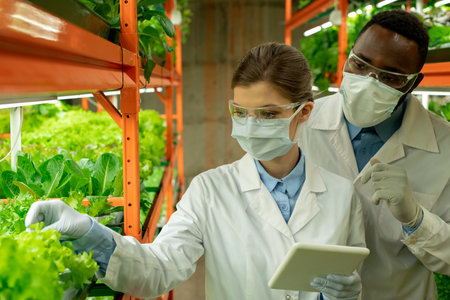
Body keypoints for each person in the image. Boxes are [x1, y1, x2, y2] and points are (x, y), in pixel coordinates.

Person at [26, 43, 365, 300]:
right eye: (242, 113)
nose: (251, 126)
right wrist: (89, 231)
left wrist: (350, 293)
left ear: (304, 112)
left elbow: (350, 276)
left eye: (268, 115)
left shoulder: (341, 193)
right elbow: (158, 268)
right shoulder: (210, 190)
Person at [299, 10, 450, 299]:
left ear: (412, 84)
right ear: (348, 57)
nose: (369, 81)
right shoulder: (303, 124)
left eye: (389, 77)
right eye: (359, 65)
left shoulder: (445, 147)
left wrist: (416, 219)